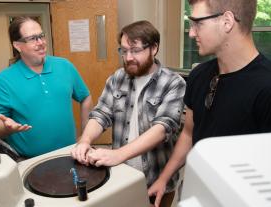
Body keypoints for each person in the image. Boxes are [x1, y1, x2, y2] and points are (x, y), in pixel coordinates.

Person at [148, 0, 271, 206]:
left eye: (197, 23)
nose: (191, 33)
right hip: (195, 188)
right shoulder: (199, 75)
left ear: (227, 21)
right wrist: (164, 178)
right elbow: (189, 133)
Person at [71, 20, 186, 207]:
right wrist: (85, 140)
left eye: (135, 50)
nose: (128, 57)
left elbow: (162, 128)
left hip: (156, 177)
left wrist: (117, 154)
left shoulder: (173, 83)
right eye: (124, 51)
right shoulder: (117, 78)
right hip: (122, 174)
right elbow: (101, 114)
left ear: (154, 48)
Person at [0, 16, 92, 158]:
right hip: (29, 161)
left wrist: (86, 137)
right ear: (17, 45)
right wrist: (7, 128)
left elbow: (85, 97)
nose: (41, 43)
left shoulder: (64, 66)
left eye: (41, 36)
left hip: (70, 154)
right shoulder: (4, 80)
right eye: (32, 39)